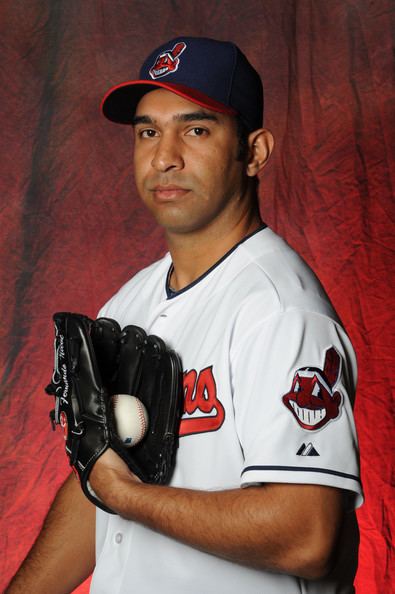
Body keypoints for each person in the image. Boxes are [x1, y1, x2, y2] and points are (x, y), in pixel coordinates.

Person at [6, 37, 363, 594]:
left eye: (195, 129)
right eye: (148, 131)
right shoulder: (127, 306)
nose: (164, 155)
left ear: (255, 151)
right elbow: (97, 489)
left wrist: (126, 496)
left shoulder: (279, 311)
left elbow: (307, 536)